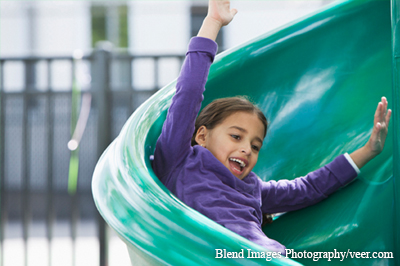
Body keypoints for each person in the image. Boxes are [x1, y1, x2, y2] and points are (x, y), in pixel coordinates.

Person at [152, 0, 392, 255]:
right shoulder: (180, 162)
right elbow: (188, 93)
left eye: (255, 147)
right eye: (236, 136)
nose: (246, 150)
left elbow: (309, 188)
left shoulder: (254, 188)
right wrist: (212, 23)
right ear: (201, 135)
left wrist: (369, 150)